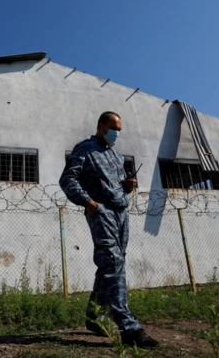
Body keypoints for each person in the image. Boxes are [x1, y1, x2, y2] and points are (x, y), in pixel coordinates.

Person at [59, 111, 159, 349]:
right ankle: (129, 327)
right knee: (113, 262)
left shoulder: (115, 156)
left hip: (121, 212)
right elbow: (68, 178)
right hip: (101, 211)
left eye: (120, 129)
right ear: (101, 126)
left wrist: (126, 186)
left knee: (112, 264)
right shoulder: (85, 149)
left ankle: (95, 317)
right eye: (114, 127)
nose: (117, 133)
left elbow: (116, 186)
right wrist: (88, 202)